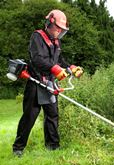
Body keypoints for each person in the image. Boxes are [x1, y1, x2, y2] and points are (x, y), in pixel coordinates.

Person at [13, 9, 83, 156]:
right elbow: (37, 59)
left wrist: (71, 67)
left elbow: (59, 60)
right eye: (58, 28)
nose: (59, 32)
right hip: (35, 83)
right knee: (29, 117)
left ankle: (53, 146)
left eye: (61, 30)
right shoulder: (37, 37)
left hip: (50, 84)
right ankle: (18, 148)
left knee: (52, 115)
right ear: (50, 23)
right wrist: (54, 68)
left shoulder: (56, 42)